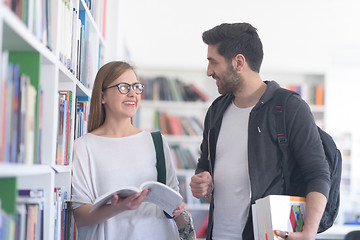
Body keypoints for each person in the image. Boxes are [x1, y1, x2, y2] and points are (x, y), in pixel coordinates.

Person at [189, 23, 330, 240]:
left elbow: (318, 174)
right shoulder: (216, 110)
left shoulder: (289, 107)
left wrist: (309, 233)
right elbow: (204, 166)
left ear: (238, 62)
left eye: (213, 62)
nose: (209, 71)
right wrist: (201, 182)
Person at [71, 61, 185, 240]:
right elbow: (80, 215)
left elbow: (172, 198)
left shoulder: (156, 141)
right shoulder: (84, 146)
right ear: (102, 97)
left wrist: (177, 206)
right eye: (123, 87)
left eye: (136, 87)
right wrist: (118, 208)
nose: (133, 93)